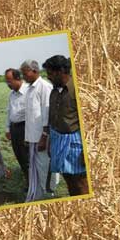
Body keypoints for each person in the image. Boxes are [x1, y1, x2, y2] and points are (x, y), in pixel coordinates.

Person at [42, 55, 88, 196]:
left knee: (81, 183)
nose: (48, 77)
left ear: (61, 71)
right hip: (58, 141)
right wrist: (50, 142)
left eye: (50, 73)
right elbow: (52, 120)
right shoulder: (54, 91)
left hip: (76, 145)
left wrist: (86, 152)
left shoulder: (78, 90)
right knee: (68, 180)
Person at [21, 59, 60, 201]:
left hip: (43, 137)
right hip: (33, 138)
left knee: (45, 167)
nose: (23, 77)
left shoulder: (45, 87)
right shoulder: (29, 88)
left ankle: (51, 194)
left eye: (25, 73)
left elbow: (48, 114)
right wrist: (28, 138)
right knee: (36, 169)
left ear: (35, 71)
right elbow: (30, 115)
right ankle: (38, 194)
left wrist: (44, 136)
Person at [4, 68, 31, 186]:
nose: (8, 84)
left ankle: (34, 184)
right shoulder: (11, 94)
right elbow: (9, 111)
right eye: (6, 81)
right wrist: (7, 128)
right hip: (15, 130)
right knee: (20, 157)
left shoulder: (29, 91)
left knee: (28, 158)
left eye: (10, 81)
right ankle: (28, 181)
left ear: (18, 79)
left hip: (26, 128)